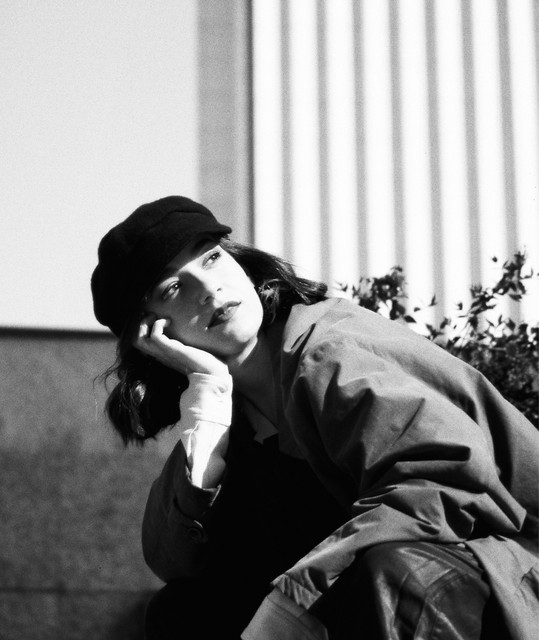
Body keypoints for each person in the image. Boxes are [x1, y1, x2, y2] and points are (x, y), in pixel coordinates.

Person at [91, 196, 538, 640]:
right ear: (151, 334)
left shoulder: (330, 351)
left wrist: (292, 606)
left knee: (393, 574)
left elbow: (442, 482)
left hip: (507, 571)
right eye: (173, 288)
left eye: (211, 258)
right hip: (383, 601)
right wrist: (207, 406)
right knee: (183, 612)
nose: (209, 289)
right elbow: (172, 561)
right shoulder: (230, 411)